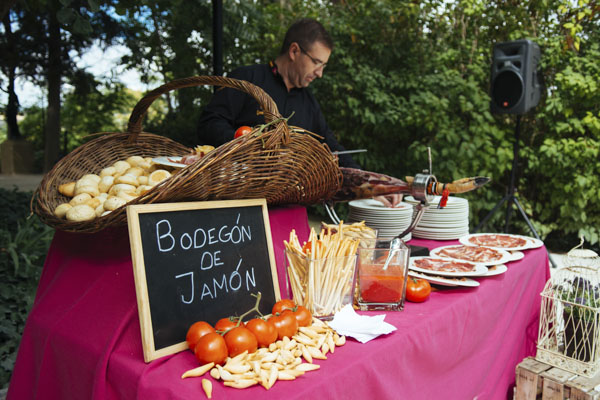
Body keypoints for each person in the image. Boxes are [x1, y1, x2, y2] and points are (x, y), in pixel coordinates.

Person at [196, 17, 360, 169]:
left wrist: (369, 182)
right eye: (317, 63)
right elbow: (209, 124)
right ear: (294, 51)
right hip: (240, 190)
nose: (320, 73)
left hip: (293, 195)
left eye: (324, 66)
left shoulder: (309, 102)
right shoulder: (247, 79)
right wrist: (246, 145)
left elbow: (331, 146)